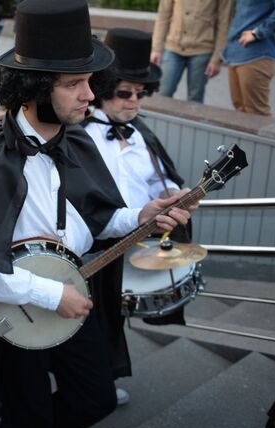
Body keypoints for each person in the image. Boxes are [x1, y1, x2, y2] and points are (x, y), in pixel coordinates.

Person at [0, 1, 194, 428]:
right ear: (37, 87)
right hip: (18, 310)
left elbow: (95, 221)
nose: (90, 95)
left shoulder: (76, 141)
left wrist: (140, 214)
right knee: (28, 414)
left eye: (91, 81)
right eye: (74, 83)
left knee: (95, 398)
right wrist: (50, 295)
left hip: (74, 291)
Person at [83, 27, 189, 406]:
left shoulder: (139, 131)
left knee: (113, 321)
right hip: (94, 248)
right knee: (92, 322)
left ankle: (102, 382)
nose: (134, 103)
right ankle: (90, 387)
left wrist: (174, 195)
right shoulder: (80, 136)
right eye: (125, 93)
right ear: (103, 87)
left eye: (141, 94)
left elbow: (156, 180)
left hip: (136, 241)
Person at [150, 0, 231, 103]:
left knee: (195, 99)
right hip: (173, 46)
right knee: (162, 93)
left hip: (202, 50)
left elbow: (224, 24)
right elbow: (163, 14)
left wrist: (216, 59)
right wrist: (156, 47)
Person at [222, 0, 275, 116]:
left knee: (256, 115)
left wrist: (257, 33)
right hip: (236, 54)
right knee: (240, 112)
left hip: (256, 55)